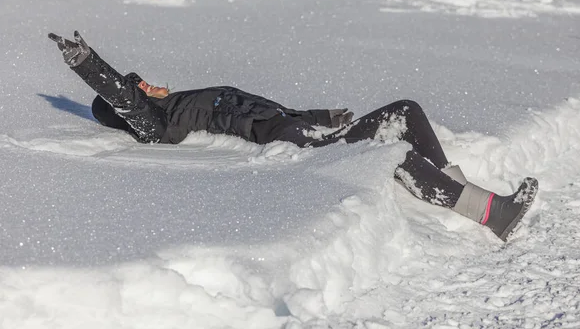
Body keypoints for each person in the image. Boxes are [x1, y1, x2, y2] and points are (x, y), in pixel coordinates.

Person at [48, 31, 538, 242]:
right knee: (385, 152)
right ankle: (490, 211)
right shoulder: (158, 123)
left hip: (304, 126)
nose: (147, 82)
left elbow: (265, 107)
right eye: (138, 86)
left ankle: (455, 187)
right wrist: (88, 65)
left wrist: (321, 113)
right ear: (132, 105)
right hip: (292, 143)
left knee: (405, 111)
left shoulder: (185, 98)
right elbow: (127, 102)